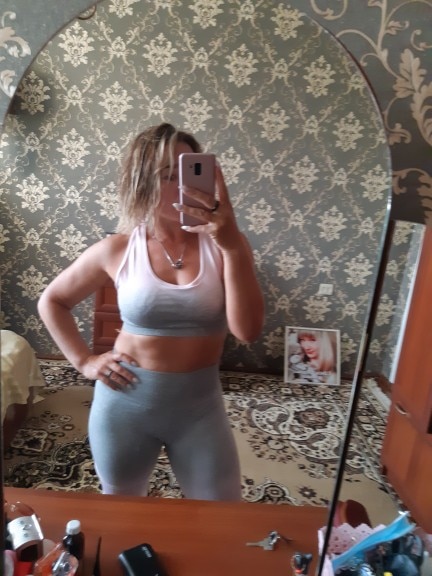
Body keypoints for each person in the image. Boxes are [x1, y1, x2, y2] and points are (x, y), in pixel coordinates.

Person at [38, 122, 265, 500]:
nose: (181, 186)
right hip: (123, 405)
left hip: (200, 409)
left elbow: (248, 330)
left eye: (189, 173)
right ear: (141, 181)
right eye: (166, 175)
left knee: (222, 512)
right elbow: (52, 301)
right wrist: (84, 361)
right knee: (123, 510)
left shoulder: (226, 245)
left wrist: (231, 246)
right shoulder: (117, 249)